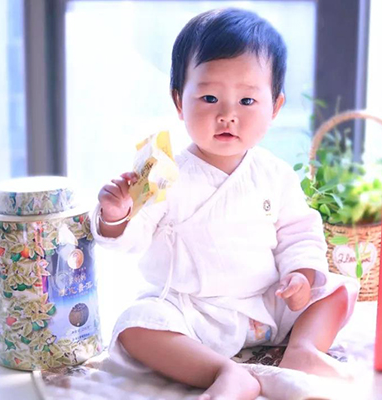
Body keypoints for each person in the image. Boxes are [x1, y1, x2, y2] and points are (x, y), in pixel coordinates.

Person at [90, 8, 358, 400]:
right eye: (210, 97)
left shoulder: (275, 174)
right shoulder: (165, 172)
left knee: (339, 290)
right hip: (194, 310)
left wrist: (300, 276)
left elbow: (299, 233)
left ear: (275, 107)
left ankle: (302, 350)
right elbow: (134, 236)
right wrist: (117, 215)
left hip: (268, 302)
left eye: (247, 100)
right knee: (135, 325)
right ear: (179, 101)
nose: (227, 115)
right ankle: (225, 372)